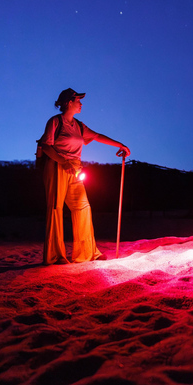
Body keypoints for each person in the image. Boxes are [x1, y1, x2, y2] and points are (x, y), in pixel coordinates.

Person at [37, 88, 130, 264]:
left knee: (83, 207)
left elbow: (96, 136)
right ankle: (56, 256)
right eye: (78, 100)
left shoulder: (79, 125)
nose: (81, 103)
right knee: (56, 209)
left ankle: (87, 253)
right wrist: (63, 162)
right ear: (69, 102)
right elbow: (46, 146)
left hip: (75, 169)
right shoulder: (55, 122)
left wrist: (120, 145)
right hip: (56, 166)